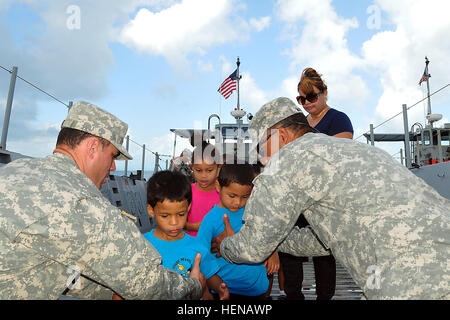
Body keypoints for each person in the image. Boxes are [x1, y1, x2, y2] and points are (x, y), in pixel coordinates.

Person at [212, 97, 450, 300]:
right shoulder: (354, 150)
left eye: (262, 151)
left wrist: (225, 244)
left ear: (281, 136)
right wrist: (275, 240)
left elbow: (253, 248)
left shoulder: (286, 160)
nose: (262, 161)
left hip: (412, 277)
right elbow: (327, 239)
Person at [0, 101, 206, 299]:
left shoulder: (13, 171)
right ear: (92, 147)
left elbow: (53, 271)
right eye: (113, 155)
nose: (113, 167)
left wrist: (115, 289)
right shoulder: (81, 201)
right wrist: (193, 286)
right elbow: (145, 283)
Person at [278, 67, 355, 300]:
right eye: (301, 99)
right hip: (297, 195)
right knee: (290, 250)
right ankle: (294, 296)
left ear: (324, 93)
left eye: (311, 97)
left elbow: (339, 152)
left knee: (324, 253)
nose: (306, 103)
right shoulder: (299, 122)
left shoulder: (339, 119)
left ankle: (324, 297)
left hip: (324, 197)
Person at [143, 170, 229, 300]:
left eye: (181, 214)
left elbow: (209, 274)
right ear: (151, 210)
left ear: (188, 208)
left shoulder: (197, 246)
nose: (174, 223)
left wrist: (219, 288)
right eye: (165, 216)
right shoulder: (142, 245)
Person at [197, 163, 277, 299]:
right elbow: (201, 256)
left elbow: (269, 234)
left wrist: (273, 252)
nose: (238, 202)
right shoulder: (210, 220)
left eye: (245, 196)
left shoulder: (256, 212)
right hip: (224, 288)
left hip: (256, 289)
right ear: (218, 186)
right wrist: (211, 287)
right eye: (232, 196)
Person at [185, 141, 221, 237]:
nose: (203, 176)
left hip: (217, 248)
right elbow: (177, 222)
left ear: (218, 168)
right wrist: (195, 227)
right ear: (192, 167)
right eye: (198, 170)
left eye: (209, 170)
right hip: (192, 246)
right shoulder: (187, 192)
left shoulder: (224, 193)